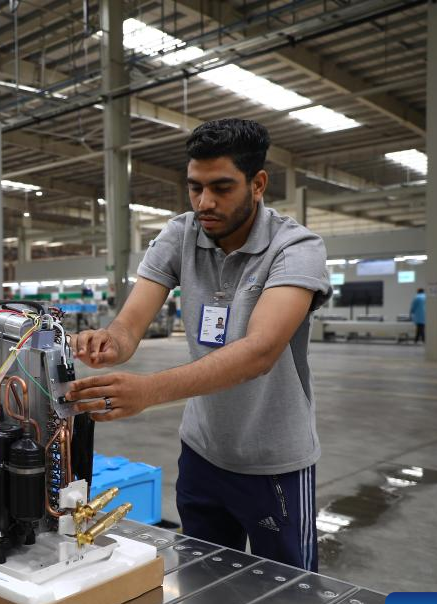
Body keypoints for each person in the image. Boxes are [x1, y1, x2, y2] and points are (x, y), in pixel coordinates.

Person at [67, 119, 332, 572]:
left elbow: (260, 352)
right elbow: (129, 326)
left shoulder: (296, 248)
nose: (204, 202)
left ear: (258, 184)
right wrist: (109, 341)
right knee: (203, 581)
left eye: (222, 188)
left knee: (290, 592)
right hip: (202, 456)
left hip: (274, 466)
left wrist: (149, 390)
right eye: (195, 188)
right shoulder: (180, 234)